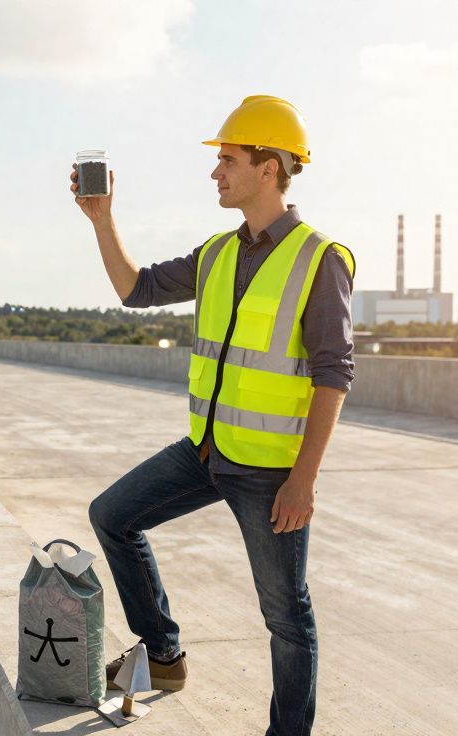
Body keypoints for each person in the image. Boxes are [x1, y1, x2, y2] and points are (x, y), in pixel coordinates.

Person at [71, 95, 355, 736]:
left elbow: (333, 375)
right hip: (202, 451)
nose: (215, 172)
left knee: (286, 614)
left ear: (271, 167)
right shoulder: (217, 254)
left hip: (266, 473)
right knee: (112, 517)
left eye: (227, 160)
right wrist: (101, 218)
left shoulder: (320, 260)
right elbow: (135, 289)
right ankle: (163, 654)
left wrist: (302, 481)